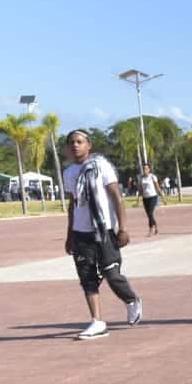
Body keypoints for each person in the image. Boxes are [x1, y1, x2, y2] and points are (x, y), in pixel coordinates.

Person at [62, 129, 142, 339]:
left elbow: (116, 197)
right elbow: (73, 205)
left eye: (79, 142)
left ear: (89, 145)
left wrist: (122, 228)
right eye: (71, 142)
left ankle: (131, 299)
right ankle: (97, 322)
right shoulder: (69, 173)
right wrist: (69, 235)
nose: (75, 145)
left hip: (104, 230)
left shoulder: (102, 166)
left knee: (111, 274)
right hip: (81, 233)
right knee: (87, 278)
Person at [138, 162, 165, 236]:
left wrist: (163, 198)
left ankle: (150, 230)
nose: (145, 170)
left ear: (149, 169)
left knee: (150, 213)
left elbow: (157, 188)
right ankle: (156, 228)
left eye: (146, 168)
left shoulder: (152, 177)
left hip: (153, 197)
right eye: (144, 169)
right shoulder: (141, 178)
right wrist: (138, 200)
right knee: (149, 215)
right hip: (145, 198)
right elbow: (140, 190)